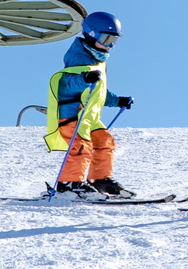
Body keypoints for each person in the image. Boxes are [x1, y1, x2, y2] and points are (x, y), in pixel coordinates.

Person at [43, 11, 135, 198]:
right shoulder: (78, 59)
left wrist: (117, 100)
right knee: (81, 148)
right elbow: (67, 85)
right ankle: (68, 184)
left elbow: (97, 91)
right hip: (72, 115)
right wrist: (84, 79)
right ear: (91, 34)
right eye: (106, 38)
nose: (109, 45)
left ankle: (100, 179)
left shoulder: (96, 60)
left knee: (104, 142)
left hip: (89, 118)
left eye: (114, 41)